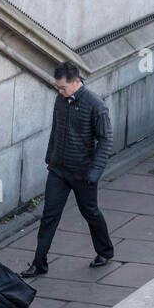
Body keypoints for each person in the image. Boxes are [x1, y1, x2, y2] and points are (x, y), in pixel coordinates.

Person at [22, 61, 114, 277]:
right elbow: (56, 129)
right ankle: (39, 263)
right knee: (49, 215)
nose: (59, 91)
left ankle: (105, 251)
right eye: (57, 87)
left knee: (90, 212)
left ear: (76, 82)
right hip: (58, 169)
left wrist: (94, 173)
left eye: (62, 87)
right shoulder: (60, 100)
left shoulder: (96, 105)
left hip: (83, 173)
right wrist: (49, 158)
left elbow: (106, 141)